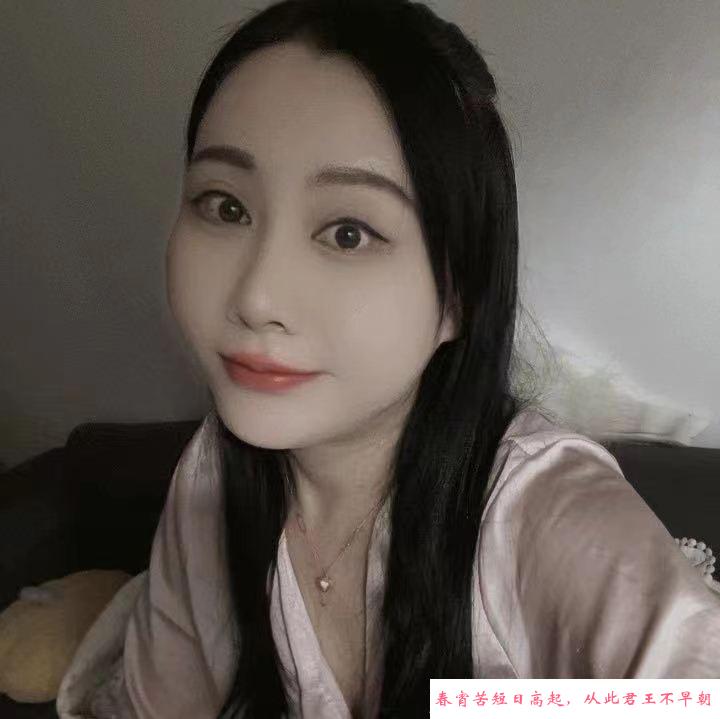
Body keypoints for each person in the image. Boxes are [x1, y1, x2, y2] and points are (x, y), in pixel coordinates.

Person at [56, 0, 720, 717]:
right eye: (225, 207)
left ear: (458, 294)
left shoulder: (537, 516)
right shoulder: (214, 478)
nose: (256, 296)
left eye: (347, 233)